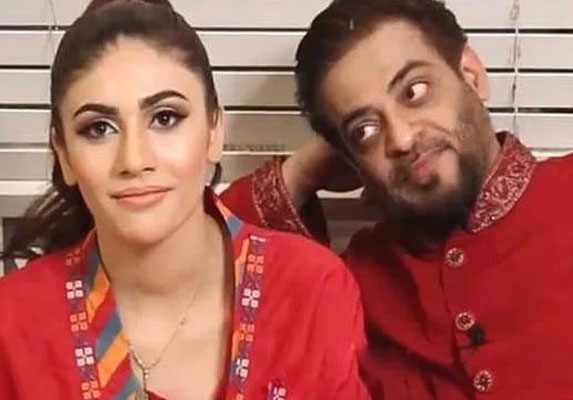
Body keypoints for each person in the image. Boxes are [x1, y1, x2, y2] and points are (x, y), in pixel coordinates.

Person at [221, 0, 573, 398]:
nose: (402, 138)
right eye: (365, 129)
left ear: (471, 75)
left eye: (415, 91)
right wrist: (302, 171)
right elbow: (211, 259)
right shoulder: (361, 281)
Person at [0, 1, 368, 399]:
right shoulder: (13, 322)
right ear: (64, 155)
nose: (134, 160)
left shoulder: (311, 290)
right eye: (99, 128)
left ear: (214, 130)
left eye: (165, 118)